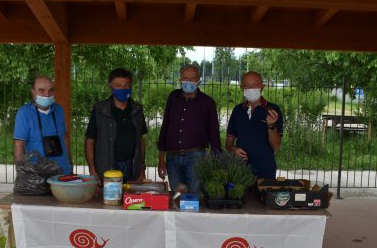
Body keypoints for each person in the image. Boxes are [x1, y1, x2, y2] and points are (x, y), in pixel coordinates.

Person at [157, 64, 221, 193]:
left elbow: (214, 133)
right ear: (180, 79)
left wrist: (216, 162)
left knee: (194, 197)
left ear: (199, 80)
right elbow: (165, 127)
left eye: (192, 78)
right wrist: (160, 159)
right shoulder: (173, 97)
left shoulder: (207, 102)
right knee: (177, 196)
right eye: (185, 78)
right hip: (172, 157)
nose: (188, 81)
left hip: (196, 157)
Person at [84, 68, 148, 182]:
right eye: (118, 85)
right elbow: (90, 140)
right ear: (110, 86)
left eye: (126, 85)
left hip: (132, 168)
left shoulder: (137, 109)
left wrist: (142, 169)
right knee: (110, 200)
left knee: (132, 199)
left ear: (131, 86)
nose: (123, 89)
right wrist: (92, 170)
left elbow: (141, 141)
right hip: (107, 169)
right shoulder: (100, 109)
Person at [226, 71, 283, 179]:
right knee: (240, 196)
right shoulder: (237, 110)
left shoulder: (272, 110)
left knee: (264, 196)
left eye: (255, 85)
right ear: (241, 88)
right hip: (239, 169)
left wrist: (271, 126)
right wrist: (234, 150)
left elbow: (276, 146)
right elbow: (228, 144)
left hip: (265, 169)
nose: (251, 88)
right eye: (247, 85)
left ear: (262, 86)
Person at [13, 75, 72, 174]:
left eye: (50, 90)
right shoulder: (24, 113)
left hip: (63, 172)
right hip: (38, 176)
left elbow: (65, 138)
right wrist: (22, 173)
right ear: (33, 92)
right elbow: (19, 144)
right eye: (41, 90)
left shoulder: (59, 110)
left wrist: (70, 163)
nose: (47, 94)